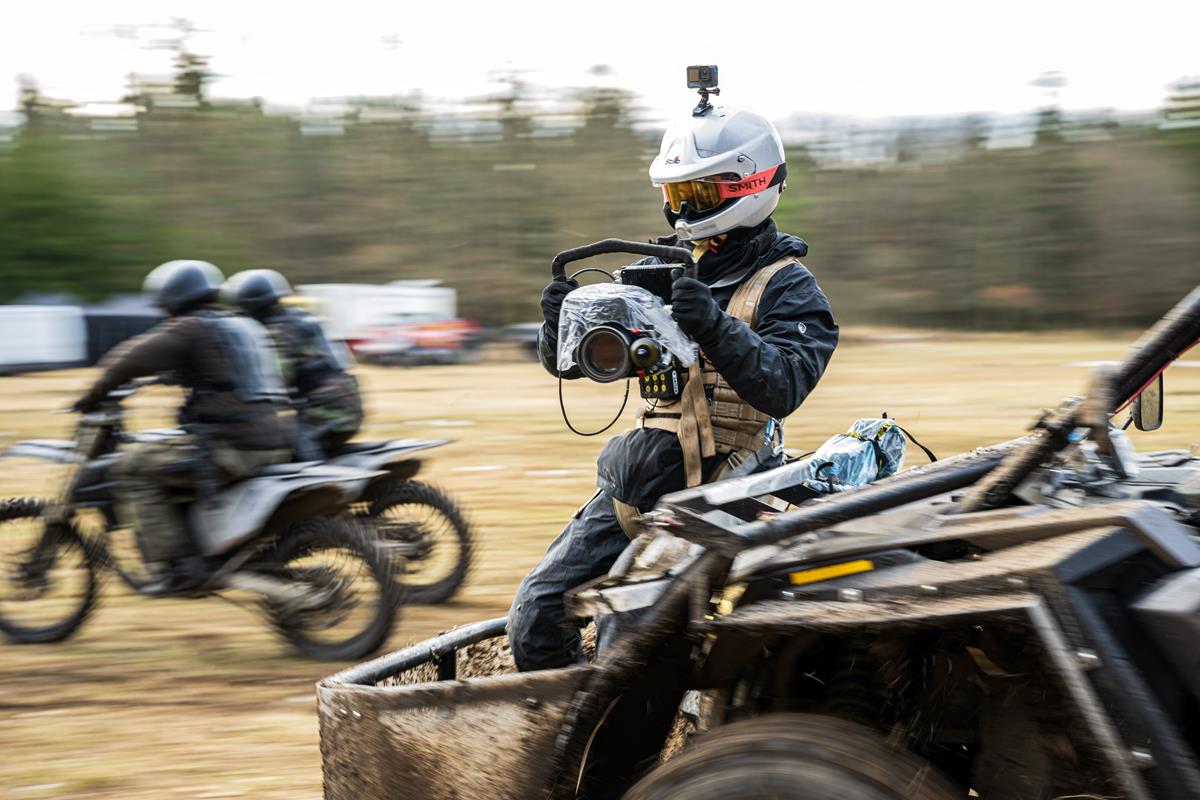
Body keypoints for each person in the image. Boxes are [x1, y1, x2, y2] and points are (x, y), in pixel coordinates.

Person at [508, 96, 840, 671]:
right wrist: (558, 326)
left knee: (626, 637)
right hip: (640, 481)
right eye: (676, 195)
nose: (684, 209)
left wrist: (712, 325)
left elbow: (784, 385)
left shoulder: (789, 286)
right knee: (534, 618)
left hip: (735, 487)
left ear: (751, 185)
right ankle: (565, 744)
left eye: (699, 195)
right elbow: (574, 364)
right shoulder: (658, 273)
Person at [72, 260, 296, 593]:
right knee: (165, 457)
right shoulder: (240, 326)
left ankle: (176, 564)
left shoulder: (188, 328)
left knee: (130, 466)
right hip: (277, 441)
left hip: (233, 445)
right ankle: (202, 544)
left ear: (173, 298)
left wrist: (92, 396)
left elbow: (128, 359)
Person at [225, 269, 364, 456]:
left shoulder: (279, 331)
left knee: (269, 442)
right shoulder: (303, 318)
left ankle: (317, 481)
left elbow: (273, 381)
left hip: (325, 412)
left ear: (249, 304)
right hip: (348, 405)